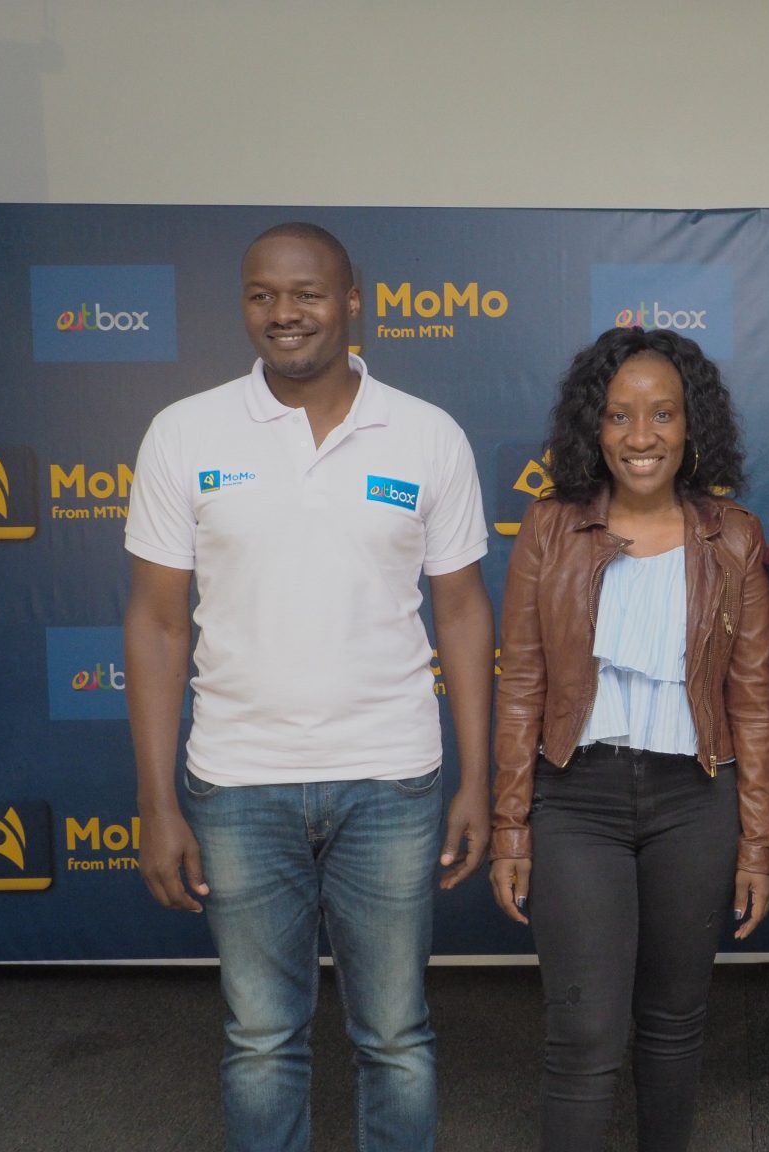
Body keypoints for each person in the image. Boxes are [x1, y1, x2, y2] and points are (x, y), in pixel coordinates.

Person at [123, 222, 494, 1152]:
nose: (283, 313)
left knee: (395, 1035)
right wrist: (156, 802)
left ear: (353, 300)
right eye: (262, 295)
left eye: (307, 293)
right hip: (238, 783)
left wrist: (478, 781)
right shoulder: (184, 431)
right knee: (260, 1038)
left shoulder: (427, 435)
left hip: (392, 781)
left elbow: (461, 613)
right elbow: (158, 624)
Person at [489, 325, 769, 1152]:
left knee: (675, 1024)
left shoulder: (734, 535)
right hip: (575, 801)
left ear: (692, 426)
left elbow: (754, 702)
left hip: (696, 802)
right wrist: (511, 827)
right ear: (594, 425)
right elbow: (522, 685)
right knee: (584, 1035)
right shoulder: (550, 527)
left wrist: (759, 845)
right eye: (619, 416)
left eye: (662, 414)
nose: (640, 436)